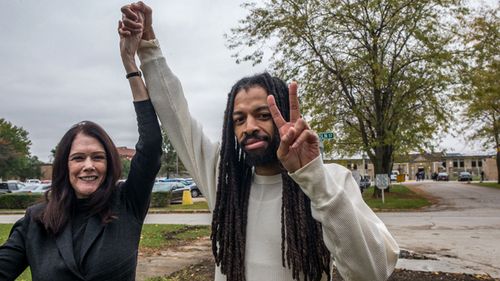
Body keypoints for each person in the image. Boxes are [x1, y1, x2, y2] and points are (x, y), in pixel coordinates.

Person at [120, 2, 399, 281]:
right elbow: (176, 116)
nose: (249, 127)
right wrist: (148, 47)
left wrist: (312, 177)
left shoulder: (331, 181)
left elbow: (372, 272)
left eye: (262, 115)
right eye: (239, 119)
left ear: (285, 116)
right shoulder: (225, 180)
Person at [0, 13, 162, 281]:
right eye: (78, 158)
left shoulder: (127, 202)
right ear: (65, 165)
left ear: (109, 164)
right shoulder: (36, 220)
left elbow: (152, 145)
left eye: (98, 157)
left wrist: (129, 64)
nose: (88, 165)